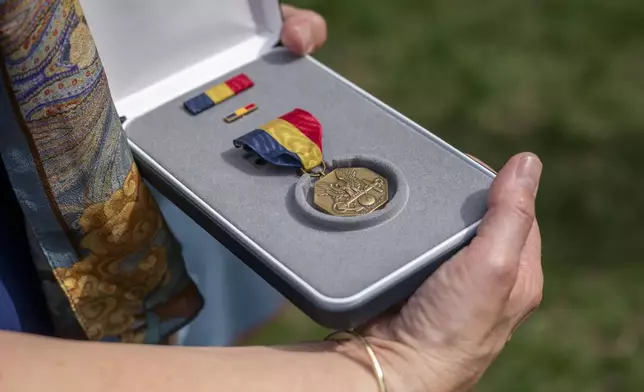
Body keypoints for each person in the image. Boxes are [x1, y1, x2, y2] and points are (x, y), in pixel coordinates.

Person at [0, 1, 544, 391]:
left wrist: (223, 25)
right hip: (22, 278)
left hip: (115, 170)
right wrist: (396, 370)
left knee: (195, 323)